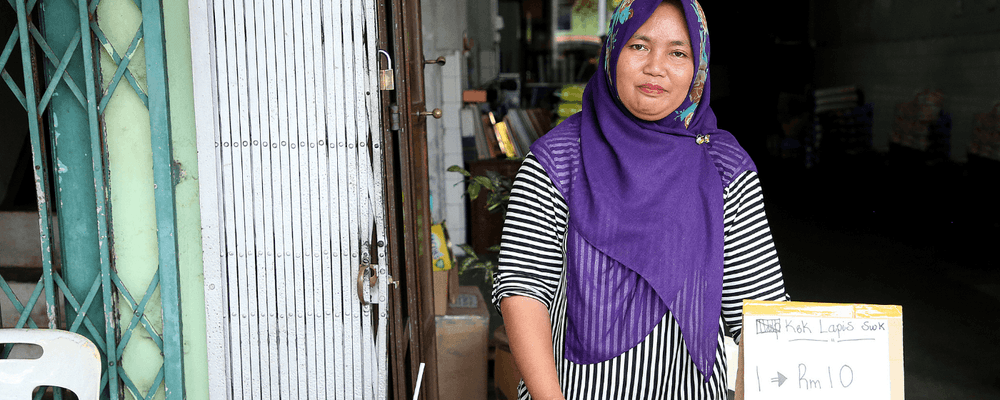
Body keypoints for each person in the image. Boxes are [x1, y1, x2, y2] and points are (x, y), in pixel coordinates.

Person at [491, 1, 789, 399]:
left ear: (697, 69)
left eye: (678, 52)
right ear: (612, 51)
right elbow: (523, 290)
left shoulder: (724, 166)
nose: (656, 67)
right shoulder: (558, 159)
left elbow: (760, 312)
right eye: (639, 46)